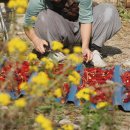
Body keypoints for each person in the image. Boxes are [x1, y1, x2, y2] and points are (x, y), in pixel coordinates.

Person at [24, 0, 121, 67]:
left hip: (83, 30)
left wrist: (85, 47)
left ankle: (93, 51)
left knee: (108, 10)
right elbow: (28, 25)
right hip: (60, 31)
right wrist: (35, 40)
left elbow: (86, 20)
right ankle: (55, 51)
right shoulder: (37, 1)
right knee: (41, 16)